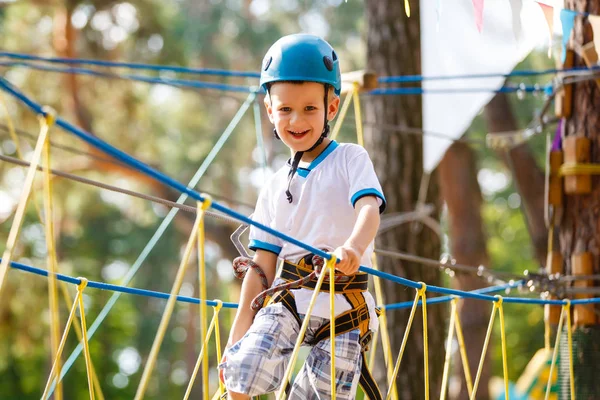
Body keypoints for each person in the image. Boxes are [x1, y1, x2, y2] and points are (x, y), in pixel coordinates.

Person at [219, 33, 386, 399]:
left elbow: (369, 208)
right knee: (240, 374)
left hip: (345, 312)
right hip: (291, 302)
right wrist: (235, 341)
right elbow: (261, 267)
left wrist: (354, 248)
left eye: (310, 108)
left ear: (331, 107)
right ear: (269, 110)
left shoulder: (350, 159)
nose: (296, 120)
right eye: (285, 109)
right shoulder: (275, 185)